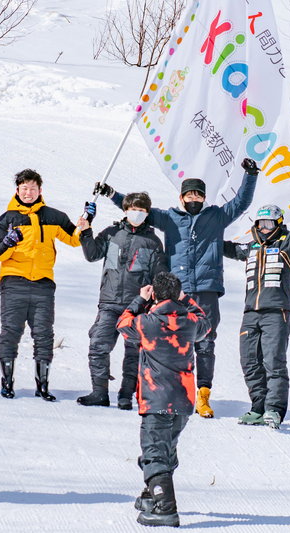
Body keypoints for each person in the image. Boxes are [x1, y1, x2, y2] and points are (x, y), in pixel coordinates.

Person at [96, 157, 258, 418]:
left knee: (205, 341)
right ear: (181, 197)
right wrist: (113, 195)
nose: (193, 198)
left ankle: (203, 395)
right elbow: (140, 209)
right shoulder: (170, 218)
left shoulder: (216, 216)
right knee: (167, 341)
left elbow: (241, 203)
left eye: (198, 194)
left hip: (206, 288)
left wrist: (250, 175)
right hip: (175, 292)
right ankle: (165, 390)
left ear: (203, 198)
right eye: (189, 194)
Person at [223, 179, 290, 429]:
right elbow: (224, 248)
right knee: (249, 361)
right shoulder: (250, 248)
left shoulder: (287, 245)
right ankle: (257, 407)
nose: (265, 228)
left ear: (278, 224)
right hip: (250, 314)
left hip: (276, 313)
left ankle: (274, 409)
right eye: (261, 224)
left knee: (273, 361)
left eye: (269, 224)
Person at [117, 271, 211, 528]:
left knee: (154, 452)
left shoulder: (147, 322)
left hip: (155, 399)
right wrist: (186, 299)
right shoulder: (190, 321)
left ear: (155, 295)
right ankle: (151, 494)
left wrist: (138, 300)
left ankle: (165, 507)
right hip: (183, 401)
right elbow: (206, 322)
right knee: (165, 450)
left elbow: (123, 324)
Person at [0, 168, 85, 401]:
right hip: (14, 282)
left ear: (40, 190)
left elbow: (74, 239)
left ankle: (43, 385)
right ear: (17, 190)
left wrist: (86, 222)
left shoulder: (54, 216)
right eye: (24, 189)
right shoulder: (7, 219)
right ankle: (7, 382)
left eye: (33, 188)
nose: (29, 192)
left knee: (44, 334)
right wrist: (8, 242)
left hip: (43, 284)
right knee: (11, 331)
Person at [77, 191, 169, 409]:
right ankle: (99, 392)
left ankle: (126, 394)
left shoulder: (153, 241)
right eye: (133, 209)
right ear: (125, 210)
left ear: (147, 213)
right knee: (98, 345)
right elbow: (92, 254)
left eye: (142, 210)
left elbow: (160, 273)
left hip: (138, 305)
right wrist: (86, 230)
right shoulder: (111, 233)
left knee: (134, 351)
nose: (137, 213)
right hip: (109, 301)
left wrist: (157, 299)